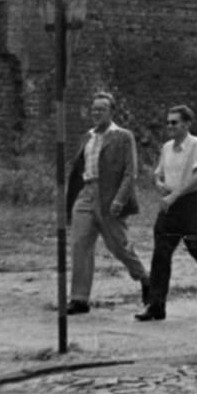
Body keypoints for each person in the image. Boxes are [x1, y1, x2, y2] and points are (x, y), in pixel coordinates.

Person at [65, 94, 152, 314]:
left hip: (109, 195)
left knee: (117, 245)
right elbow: (77, 170)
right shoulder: (88, 137)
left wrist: (119, 200)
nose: (97, 113)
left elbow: (130, 172)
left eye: (102, 109)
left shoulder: (122, 136)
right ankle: (79, 298)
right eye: (94, 109)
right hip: (86, 194)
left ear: (111, 111)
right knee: (80, 245)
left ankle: (145, 278)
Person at [137, 105, 197, 322]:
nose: (170, 126)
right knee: (161, 254)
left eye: (175, 122)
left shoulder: (196, 145)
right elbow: (158, 174)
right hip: (170, 208)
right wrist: (159, 184)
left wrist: (175, 195)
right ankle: (156, 305)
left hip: (191, 205)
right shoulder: (167, 148)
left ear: (186, 124)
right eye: (168, 122)